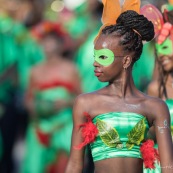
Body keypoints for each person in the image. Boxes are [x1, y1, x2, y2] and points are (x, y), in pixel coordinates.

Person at [65, 1, 173, 173]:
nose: (95, 63)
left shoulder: (155, 107)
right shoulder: (85, 103)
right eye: (95, 56)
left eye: (103, 57)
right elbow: (75, 165)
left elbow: (168, 167)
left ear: (126, 60)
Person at [22, 22, 81, 173]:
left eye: (51, 41)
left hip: (63, 128)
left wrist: (66, 102)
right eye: (45, 41)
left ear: (61, 45)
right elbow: (27, 100)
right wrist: (39, 107)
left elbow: (81, 98)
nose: (47, 45)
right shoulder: (34, 71)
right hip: (39, 127)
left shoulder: (71, 69)